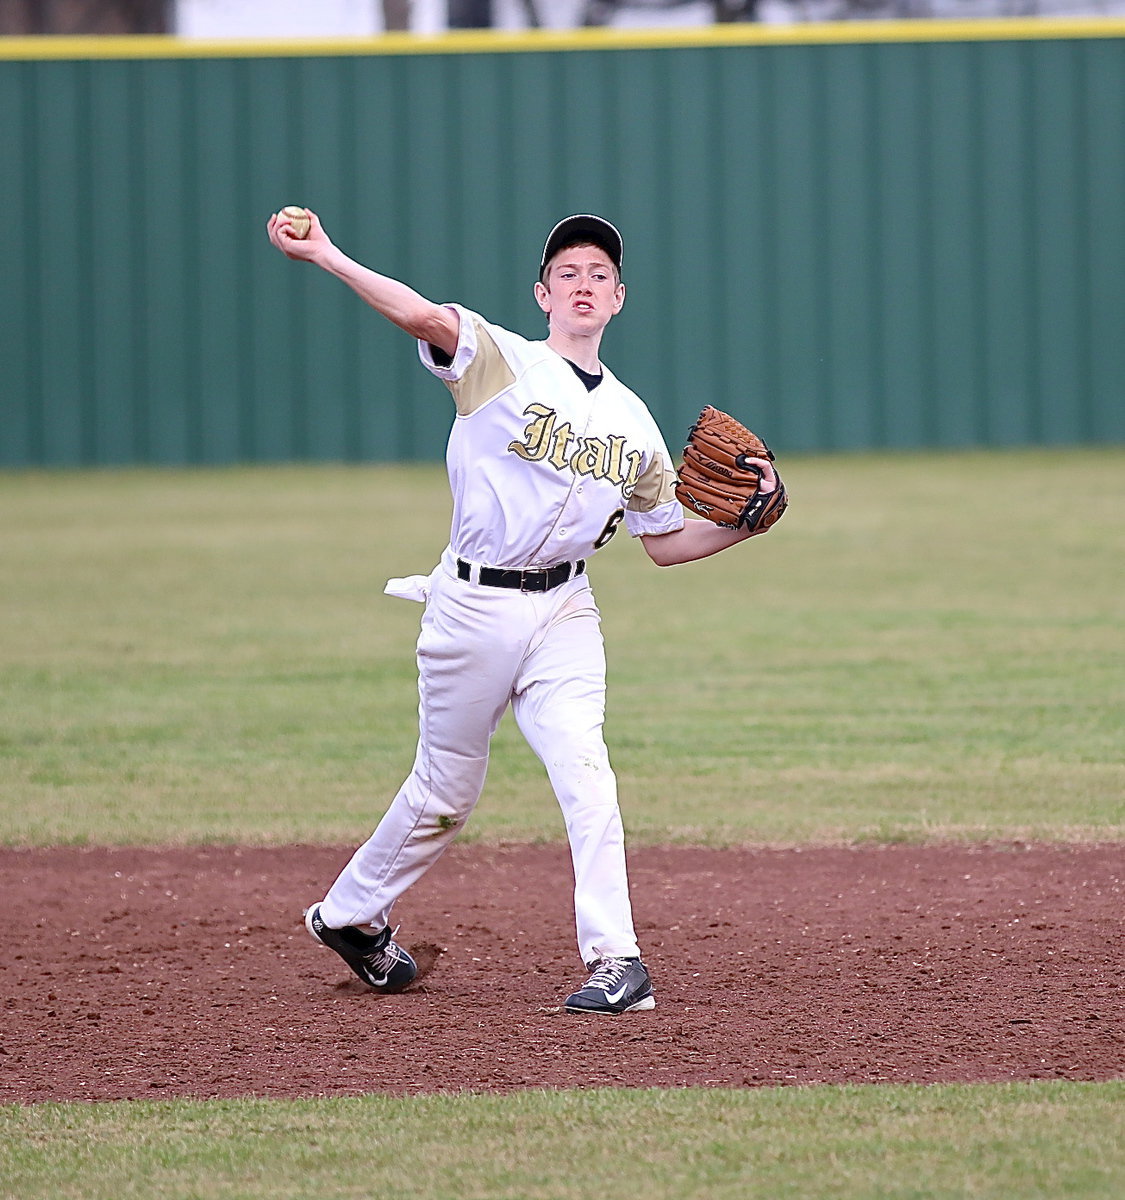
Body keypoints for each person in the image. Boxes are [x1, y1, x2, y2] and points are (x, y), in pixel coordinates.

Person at [266, 209, 778, 1014]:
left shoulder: (634, 423)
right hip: (470, 605)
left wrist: (739, 527)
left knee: (586, 771)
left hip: (564, 610)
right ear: (543, 294)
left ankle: (618, 960)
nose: (584, 284)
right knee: (443, 796)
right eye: (568, 273)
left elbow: (665, 542)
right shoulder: (497, 359)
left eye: (599, 275)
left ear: (618, 300)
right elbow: (420, 314)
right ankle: (351, 917)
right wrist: (328, 254)